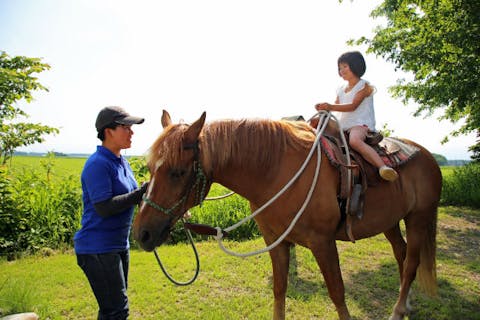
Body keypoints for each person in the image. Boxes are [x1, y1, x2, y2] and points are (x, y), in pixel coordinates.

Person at [74, 106, 148, 319]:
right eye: (126, 127)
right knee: (116, 310)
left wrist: (148, 195)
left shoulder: (122, 162)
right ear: (109, 131)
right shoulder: (97, 164)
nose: (132, 132)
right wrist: (139, 194)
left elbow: (134, 195)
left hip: (117, 246)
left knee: (112, 309)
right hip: (97, 248)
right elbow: (104, 207)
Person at [315, 51, 398, 181]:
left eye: (345, 66)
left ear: (356, 66)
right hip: (342, 125)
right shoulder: (341, 88)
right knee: (317, 126)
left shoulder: (364, 86)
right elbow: (337, 104)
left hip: (359, 124)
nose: (341, 70)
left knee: (354, 141)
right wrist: (324, 109)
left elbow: (353, 106)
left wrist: (330, 106)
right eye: (340, 68)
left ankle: (383, 167)